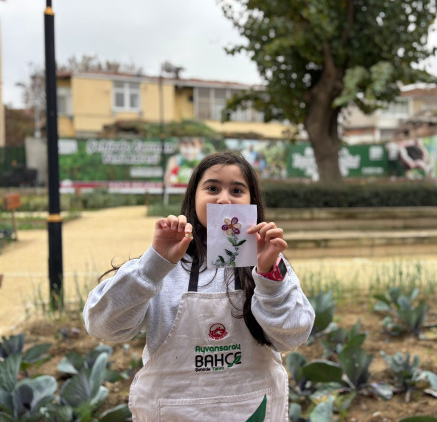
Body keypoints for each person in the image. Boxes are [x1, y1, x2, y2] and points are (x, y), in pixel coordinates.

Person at [83, 150, 315, 421]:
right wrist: (153, 264)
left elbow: (294, 335)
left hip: (253, 410)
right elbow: (103, 326)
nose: (224, 198)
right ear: (193, 197)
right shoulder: (163, 264)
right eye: (212, 188)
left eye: (237, 190)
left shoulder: (270, 263)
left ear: (253, 201)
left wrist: (269, 276)